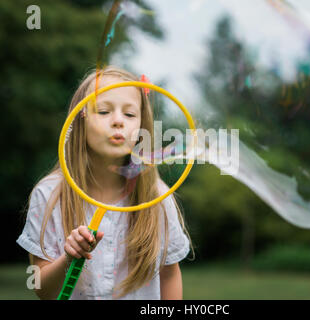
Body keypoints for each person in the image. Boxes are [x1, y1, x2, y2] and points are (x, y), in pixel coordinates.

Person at [17, 66, 193, 300]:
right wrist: (68, 258)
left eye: (130, 115)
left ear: (141, 128)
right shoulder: (49, 195)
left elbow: (169, 275)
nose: (118, 121)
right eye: (103, 111)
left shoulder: (157, 197)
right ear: (80, 118)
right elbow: (41, 289)